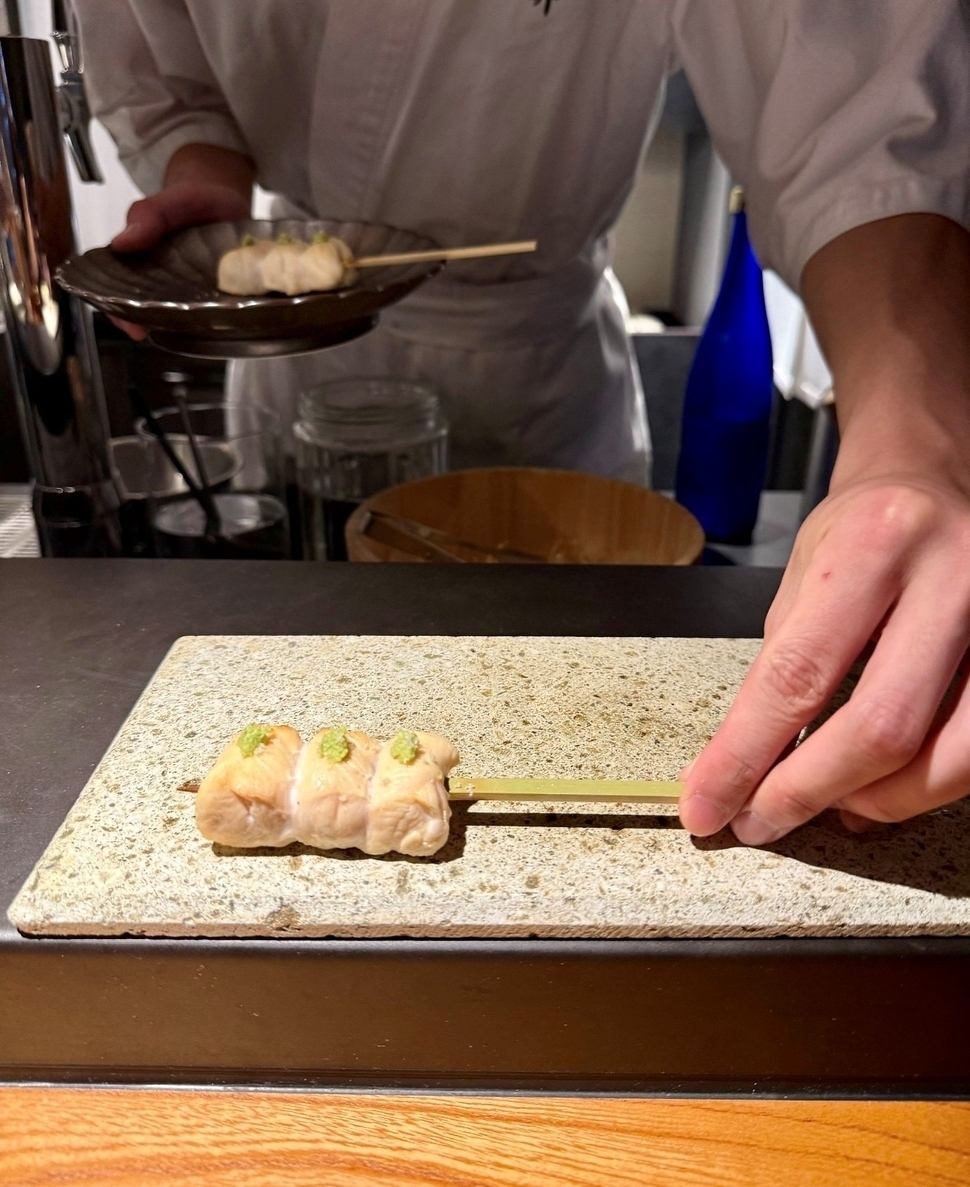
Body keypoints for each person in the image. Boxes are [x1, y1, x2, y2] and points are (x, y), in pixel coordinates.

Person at [75, 0, 970, 844]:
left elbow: (858, 119)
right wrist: (204, 173)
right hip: (307, 349)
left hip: (544, 363)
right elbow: (162, 67)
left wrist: (914, 448)